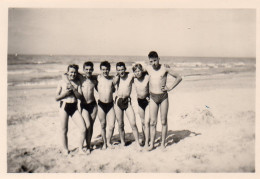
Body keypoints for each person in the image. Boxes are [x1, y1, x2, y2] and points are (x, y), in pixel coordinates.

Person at [146, 51, 182, 150]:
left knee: (163, 121)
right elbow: (137, 72)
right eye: (151, 61)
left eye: (155, 60)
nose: (153, 63)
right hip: (153, 97)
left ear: (158, 59)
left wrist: (169, 88)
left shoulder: (165, 68)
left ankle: (162, 144)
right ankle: (152, 144)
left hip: (163, 97)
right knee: (152, 122)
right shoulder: (148, 68)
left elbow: (179, 77)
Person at [55, 64, 87, 155]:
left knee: (83, 128)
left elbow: (80, 97)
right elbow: (56, 98)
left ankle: (80, 148)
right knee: (64, 130)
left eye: (74, 72)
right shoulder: (61, 82)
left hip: (74, 107)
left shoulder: (78, 82)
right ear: (67, 72)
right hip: (64, 106)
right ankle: (65, 149)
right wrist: (65, 94)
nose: (73, 74)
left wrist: (73, 89)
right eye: (71, 72)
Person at [114, 62, 142, 149]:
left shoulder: (130, 75)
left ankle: (137, 142)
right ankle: (123, 142)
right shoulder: (117, 77)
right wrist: (117, 77)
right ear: (116, 70)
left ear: (125, 69)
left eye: (122, 69)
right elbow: (112, 84)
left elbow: (139, 72)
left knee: (133, 123)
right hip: (118, 101)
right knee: (120, 124)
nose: (121, 71)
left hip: (127, 101)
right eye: (118, 70)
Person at [96, 61, 118, 149]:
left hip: (110, 104)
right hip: (101, 104)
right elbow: (86, 76)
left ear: (109, 70)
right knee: (103, 124)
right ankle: (104, 143)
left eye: (107, 69)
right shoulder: (97, 78)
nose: (105, 71)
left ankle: (109, 141)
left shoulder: (112, 79)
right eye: (103, 69)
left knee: (112, 125)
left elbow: (121, 74)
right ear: (100, 70)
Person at [78, 61, 98, 154]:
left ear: (93, 70)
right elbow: (65, 74)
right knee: (87, 126)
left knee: (91, 127)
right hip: (84, 105)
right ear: (83, 70)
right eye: (86, 69)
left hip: (93, 105)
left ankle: (88, 145)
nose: (88, 71)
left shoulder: (94, 80)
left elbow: (100, 89)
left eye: (90, 69)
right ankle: (84, 145)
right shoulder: (80, 78)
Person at [132, 63, 150, 149]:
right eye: (135, 71)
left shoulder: (147, 77)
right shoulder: (134, 79)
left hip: (148, 101)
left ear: (142, 71)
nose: (137, 73)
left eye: (139, 71)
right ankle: (145, 137)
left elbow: (151, 70)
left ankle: (147, 142)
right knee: (142, 122)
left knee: (147, 122)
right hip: (139, 101)